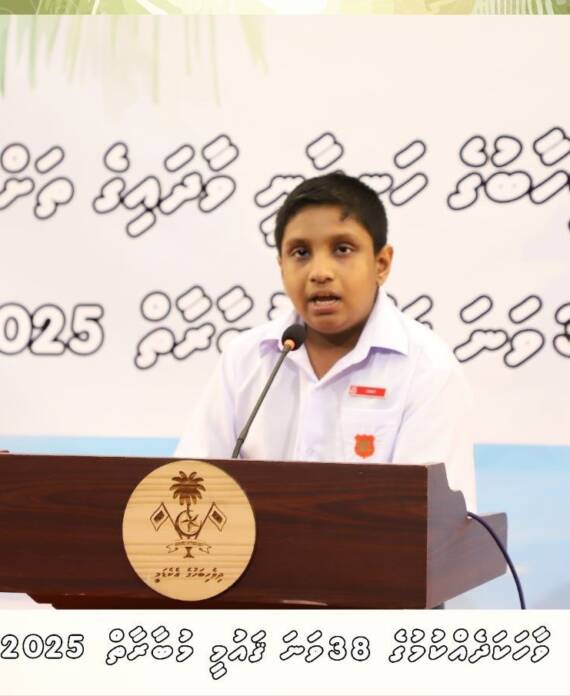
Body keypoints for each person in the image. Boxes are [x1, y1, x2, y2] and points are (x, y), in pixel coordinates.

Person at [176, 173, 476, 511]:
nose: (319, 272)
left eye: (342, 249)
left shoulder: (428, 369)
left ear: (381, 263)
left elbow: (433, 521)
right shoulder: (245, 358)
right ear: (281, 266)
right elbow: (189, 483)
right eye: (301, 252)